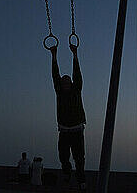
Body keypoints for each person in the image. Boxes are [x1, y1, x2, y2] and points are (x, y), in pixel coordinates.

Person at [51, 43, 86, 191]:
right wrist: (53, 56)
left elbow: (77, 73)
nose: (65, 83)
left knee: (79, 158)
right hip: (64, 131)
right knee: (63, 157)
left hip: (77, 129)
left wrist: (75, 54)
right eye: (63, 81)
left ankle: (81, 180)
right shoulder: (59, 91)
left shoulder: (76, 89)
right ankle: (67, 173)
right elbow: (55, 74)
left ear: (72, 83)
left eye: (68, 81)